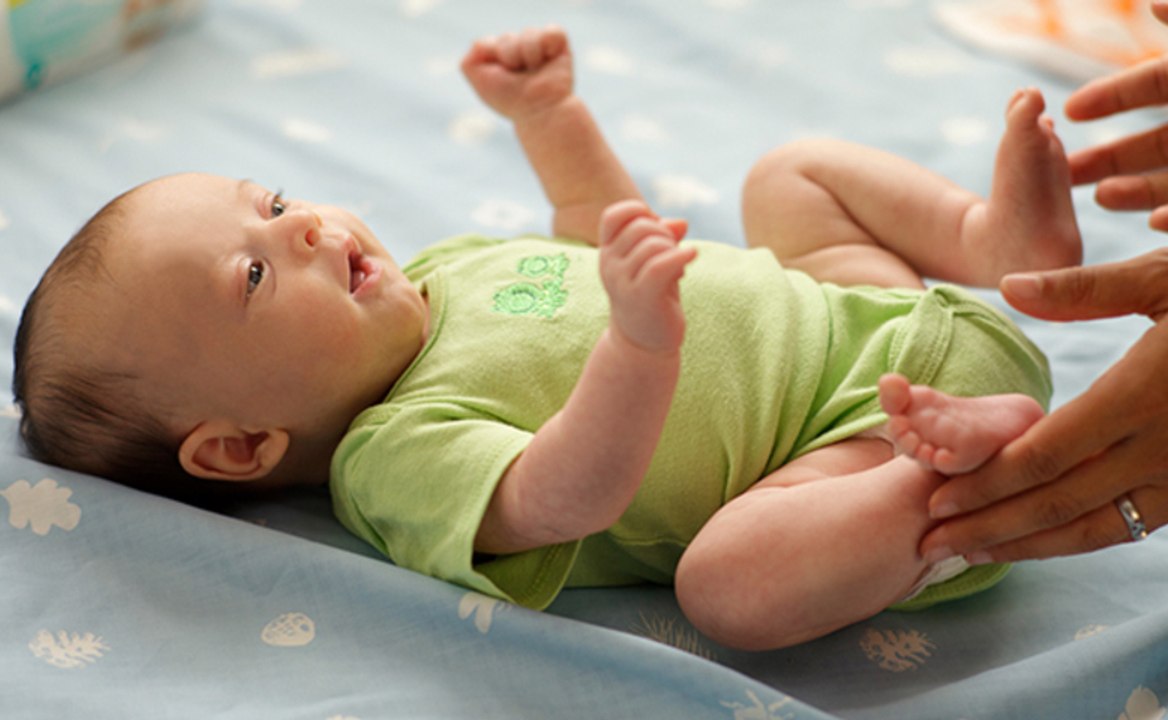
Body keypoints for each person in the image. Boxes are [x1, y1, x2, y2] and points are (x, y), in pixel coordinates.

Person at [12, 25, 1080, 651]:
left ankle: (991, 241)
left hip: (862, 308)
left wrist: (548, 120)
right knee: (732, 589)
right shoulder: (393, 458)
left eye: (275, 201)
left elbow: (597, 237)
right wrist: (636, 346)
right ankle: (956, 475)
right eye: (252, 272)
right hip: (842, 446)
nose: (302, 226)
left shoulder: (435, 276)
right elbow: (563, 493)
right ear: (240, 447)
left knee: (784, 174)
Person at [919, 0, 1168, 569]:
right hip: (844, 321)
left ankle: (988, 246)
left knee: (794, 171)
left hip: (850, 396)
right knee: (794, 178)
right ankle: (989, 247)